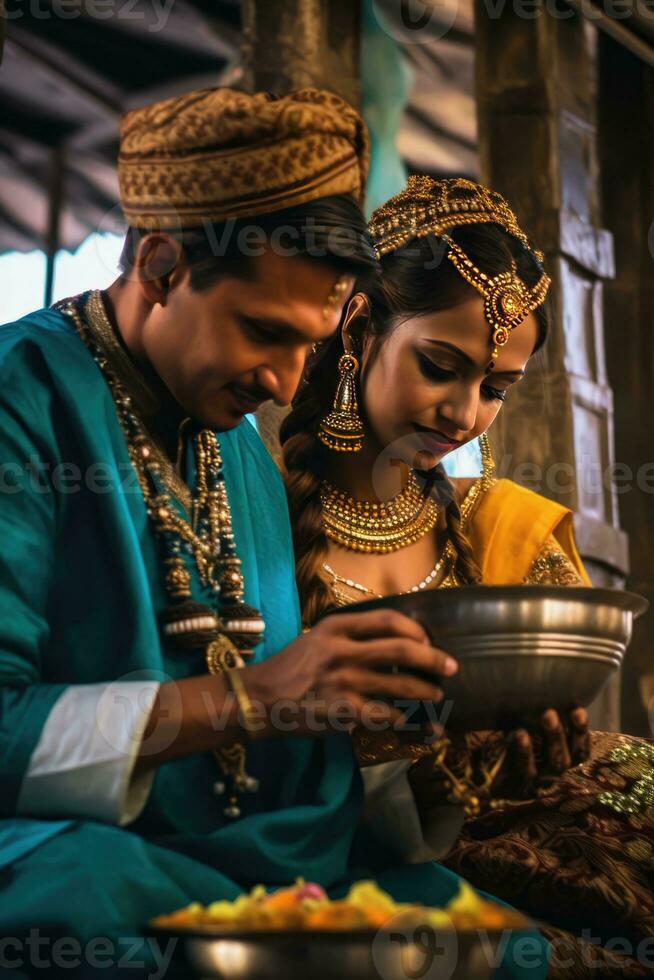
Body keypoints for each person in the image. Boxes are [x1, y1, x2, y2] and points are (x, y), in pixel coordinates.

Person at [0, 93, 547, 978]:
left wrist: (450, 748)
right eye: (263, 333)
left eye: (310, 344)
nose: (284, 380)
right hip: (75, 859)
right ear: (165, 266)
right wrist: (247, 702)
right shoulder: (20, 400)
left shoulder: (239, 453)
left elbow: (295, 786)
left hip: (242, 865)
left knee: (480, 933)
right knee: (87, 900)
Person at [280, 175, 654, 978]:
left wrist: (520, 771)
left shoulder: (507, 533)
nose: (464, 415)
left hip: (504, 873)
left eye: (495, 390)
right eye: (440, 366)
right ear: (359, 325)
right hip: (315, 875)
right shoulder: (247, 514)